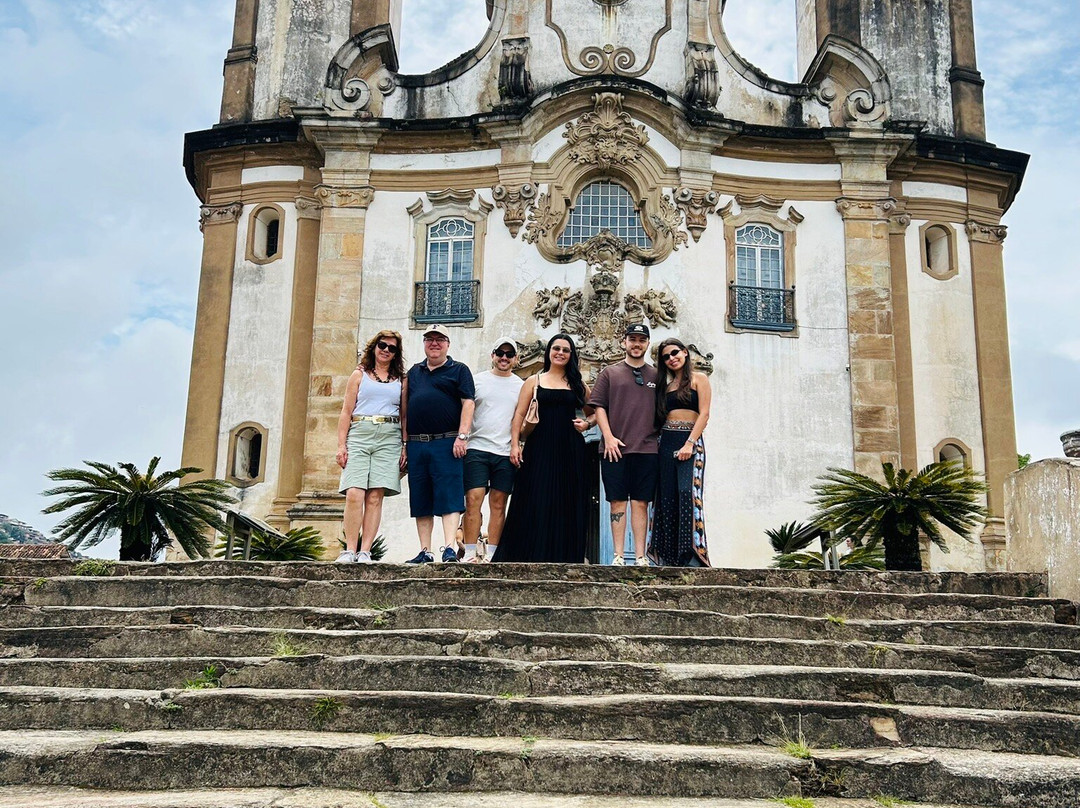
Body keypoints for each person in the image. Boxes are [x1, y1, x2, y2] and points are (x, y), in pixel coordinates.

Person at [493, 334, 593, 563]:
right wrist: (515, 445)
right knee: (534, 495)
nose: (560, 353)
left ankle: (564, 556)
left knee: (566, 498)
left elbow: (596, 411)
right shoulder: (534, 381)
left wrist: (588, 424)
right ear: (549, 352)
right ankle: (528, 554)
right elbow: (519, 414)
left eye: (565, 350)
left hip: (570, 447)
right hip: (539, 446)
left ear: (571, 355)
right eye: (556, 348)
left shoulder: (577, 384)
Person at [404, 325, 475, 564]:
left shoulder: (459, 370)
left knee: (449, 496)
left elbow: (468, 403)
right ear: (424, 343)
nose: (434, 343)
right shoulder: (414, 373)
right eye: (429, 339)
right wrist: (405, 444)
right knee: (421, 498)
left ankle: (449, 548)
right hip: (417, 444)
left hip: (447, 441)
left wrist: (462, 436)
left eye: (440, 339)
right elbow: (404, 410)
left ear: (448, 344)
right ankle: (425, 550)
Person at [589, 323, 659, 566]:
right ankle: (618, 555)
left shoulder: (656, 376)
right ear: (624, 342)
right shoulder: (610, 373)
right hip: (614, 448)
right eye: (632, 339)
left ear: (648, 343)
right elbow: (598, 406)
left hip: (647, 448)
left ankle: (640, 556)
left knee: (641, 502)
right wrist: (607, 436)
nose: (636, 344)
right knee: (617, 501)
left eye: (641, 339)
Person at [334, 331, 407, 563]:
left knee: (375, 496)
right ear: (374, 347)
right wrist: (341, 445)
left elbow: (404, 416)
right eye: (382, 345)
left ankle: (366, 551)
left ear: (396, 353)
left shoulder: (401, 380)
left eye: (392, 348)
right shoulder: (359, 374)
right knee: (354, 493)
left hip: (389, 436)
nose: (386, 350)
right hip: (360, 432)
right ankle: (349, 549)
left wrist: (405, 446)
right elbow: (346, 411)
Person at [650, 338, 712, 567]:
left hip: (690, 441)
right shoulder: (666, 388)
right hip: (666, 442)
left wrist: (690, 443)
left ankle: (692, 557)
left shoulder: (699, 379)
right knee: (666, 497)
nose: (671, 358)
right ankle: (667, 557)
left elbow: (704, 414)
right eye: (666, 357)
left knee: (687, 493)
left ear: (685, 352)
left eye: (674, 353)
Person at [462, 340, 524, 563]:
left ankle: (493, 553)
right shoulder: (477, 381)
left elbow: (523, 418)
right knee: (473, 500)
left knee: (499, 503)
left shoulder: (521, 385)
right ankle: (470, 552)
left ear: (516, 358)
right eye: (500, 353)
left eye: (509, 354)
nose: (504, 357)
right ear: (492, 355)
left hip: (505, 451)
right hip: (477, 447)